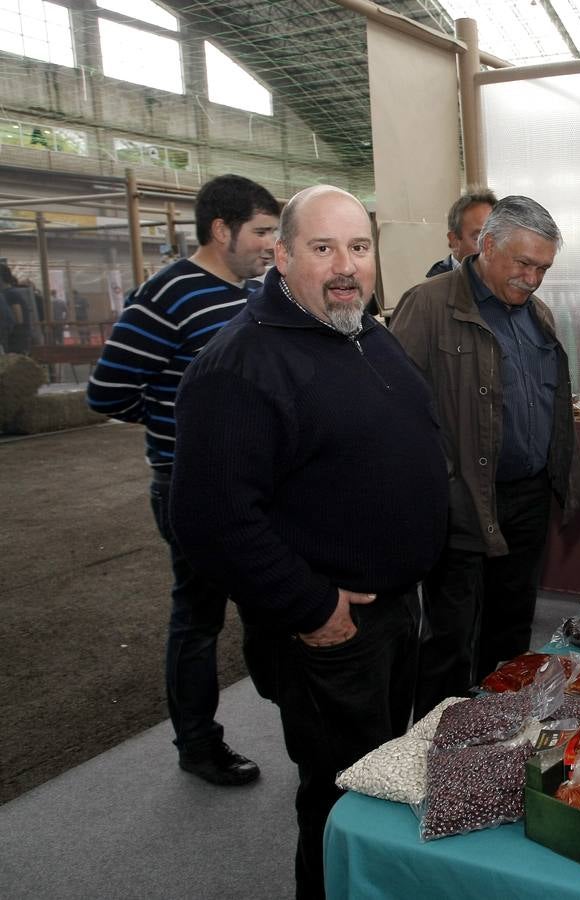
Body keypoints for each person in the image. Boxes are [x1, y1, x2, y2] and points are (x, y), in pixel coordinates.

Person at [169, 185, 448, 899]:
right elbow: (211, 522)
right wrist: (311, 607)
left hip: (395, 614)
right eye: (323, 249)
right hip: (330, 630)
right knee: (341, 800)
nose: (345, 265)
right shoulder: (240, 366)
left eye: (358, 247)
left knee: (384, 779)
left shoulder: (364, 333)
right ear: (283, 255)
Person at [85, 174, 281, 787]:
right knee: (197, 618)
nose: (272, 247)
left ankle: (297, 721)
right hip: (189, 485)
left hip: (252, 484)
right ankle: (198, 744)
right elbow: (107, 392)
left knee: (271, 604)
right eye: (262, 232)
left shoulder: (250, 292)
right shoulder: (167, 293)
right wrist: (189, 422)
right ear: (221, 230)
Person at [390, 194, 580, 718]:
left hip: (526, 498)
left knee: (511, 629)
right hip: (461, 502)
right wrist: (440, 485)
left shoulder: (536, 314)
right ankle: (432, 748)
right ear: (486, 245)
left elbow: (549, 401)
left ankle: (499, 736)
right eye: (523, 263)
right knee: (451, 637)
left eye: (543, 267)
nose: (533, 279)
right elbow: (394, 413)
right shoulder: (428, 305)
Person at [424, 187, 497, 278]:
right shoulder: (432, 290)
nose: (490, 248)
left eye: (497, 238)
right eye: (479, 239)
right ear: (454, 241)